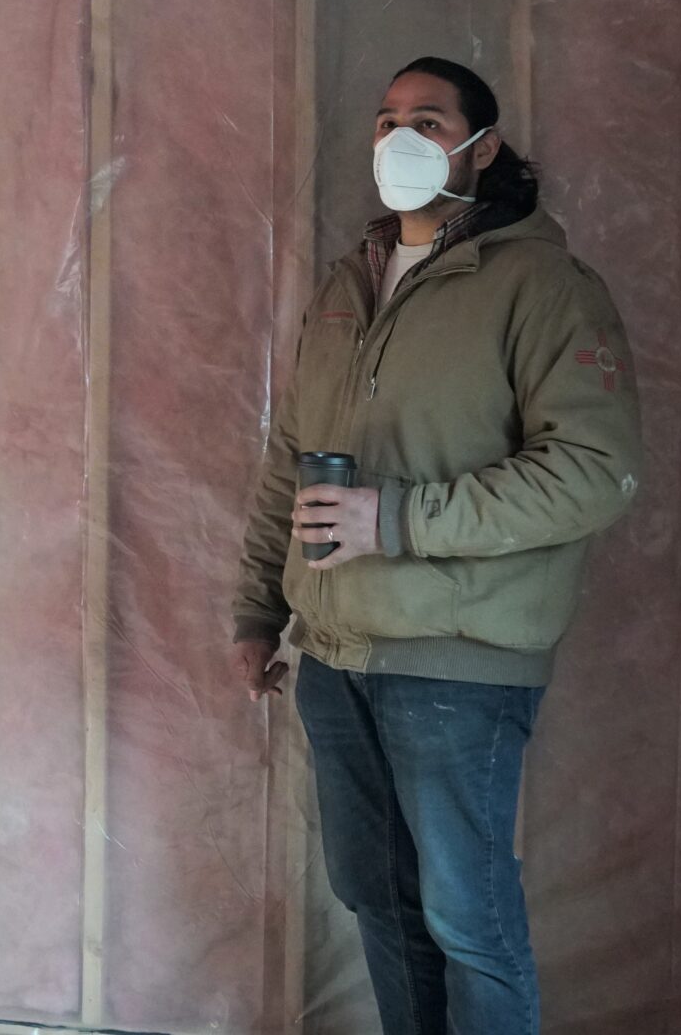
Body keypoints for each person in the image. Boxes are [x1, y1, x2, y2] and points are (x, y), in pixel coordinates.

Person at [231, 56, 644, 1035]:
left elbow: (594, 470)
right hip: (334, 659)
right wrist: (258, 608)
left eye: (425, 119)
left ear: (480, 145)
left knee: (465, 920)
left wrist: (397, 518)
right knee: (380, 904)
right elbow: (289, 460)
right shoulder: (350, 281)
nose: (398, 139)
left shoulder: (540, 284)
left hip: (455, 665)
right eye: (383, 121)